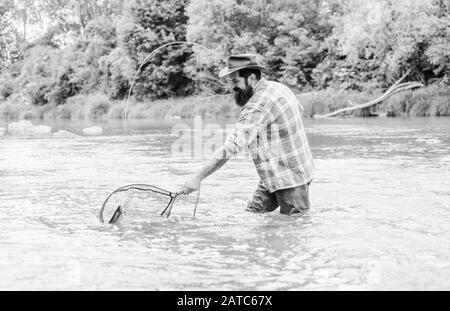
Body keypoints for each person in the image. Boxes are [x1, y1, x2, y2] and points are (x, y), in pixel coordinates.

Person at [179, 54, 314, 215]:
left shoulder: (257, 105)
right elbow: (299, 110)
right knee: (252, 215)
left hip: (291, 180)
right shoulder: (278, 87)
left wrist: (198, 177)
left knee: (294, 228)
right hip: (275, 175)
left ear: (251, 78)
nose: (232, 87)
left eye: (235, 82)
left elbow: (231, 146)